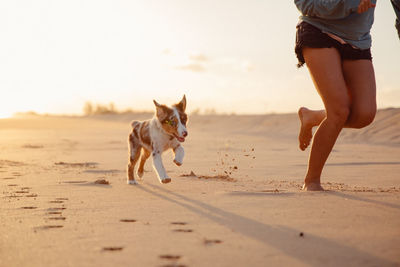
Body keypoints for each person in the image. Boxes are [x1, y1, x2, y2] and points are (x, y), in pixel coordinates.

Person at [294, 0, 377, 191]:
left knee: (364, 115)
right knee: (338, 112)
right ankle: (312, 181)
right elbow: (305, 4)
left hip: (358, 41)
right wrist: (350, 3)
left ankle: (313, 116)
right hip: (319, 31)